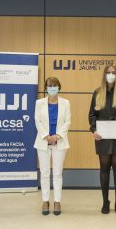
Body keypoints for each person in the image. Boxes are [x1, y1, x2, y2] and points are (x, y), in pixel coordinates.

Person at [89, 64, 116, 214]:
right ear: (104, 74)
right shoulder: (97, 92)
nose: (110, 75)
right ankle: (105, 202)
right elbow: (92, 115)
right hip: (102, 136)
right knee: (104, 168)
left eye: (113, 73)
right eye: (108, 72)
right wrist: (94, 129)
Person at [34, 77, 71, 215]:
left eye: (55, 86)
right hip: (43, 141)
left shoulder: (66, 103)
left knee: (57, 173)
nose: (52, 88)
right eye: (50, 86)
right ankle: (45, 200)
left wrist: (57, 136)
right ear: (45, 88)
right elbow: (37, 121)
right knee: (44, 173)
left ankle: (57, 201)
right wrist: (46, 136)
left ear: (59, 87)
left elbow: (67, 122)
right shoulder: (39, 103)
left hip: (59, 142)